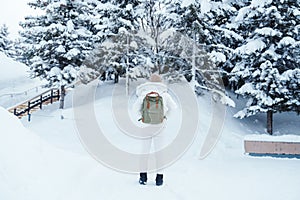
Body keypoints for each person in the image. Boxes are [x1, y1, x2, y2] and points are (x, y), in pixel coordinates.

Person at [133, 74, 177, 186]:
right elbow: (174, 108)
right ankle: (159, 178)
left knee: (144, 152)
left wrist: (143, 116)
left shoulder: (143, 94)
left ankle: (143, 177)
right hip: (160, 126)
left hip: (145, 126)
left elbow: (134, 109)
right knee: (160, 152)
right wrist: (165, 116)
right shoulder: (164, 95)